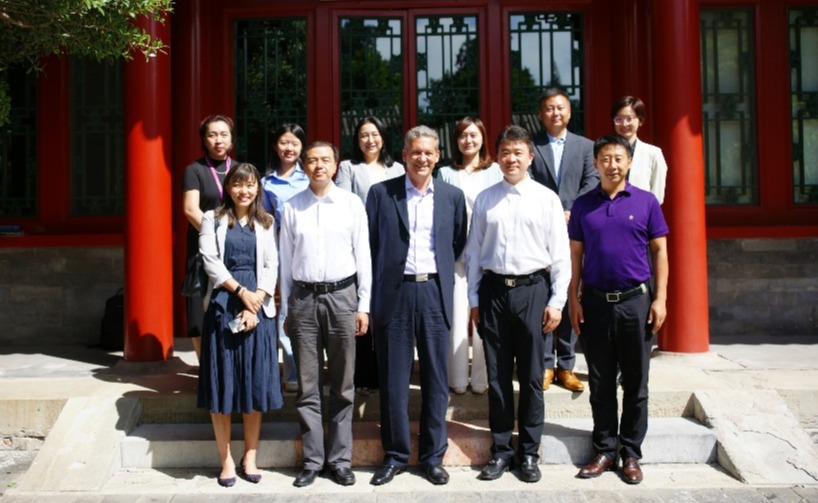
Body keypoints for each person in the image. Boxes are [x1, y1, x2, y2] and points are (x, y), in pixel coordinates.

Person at [466, 125, 570, 483]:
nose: (511, 159)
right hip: (493, 292)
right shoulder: (485, 199)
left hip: (533, 290)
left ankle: (528, 452)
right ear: (497, 157)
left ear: (530, 157)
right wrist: (474, 300)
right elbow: (474, 253)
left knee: (531, 377)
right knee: (497, 377)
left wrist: (557, 301)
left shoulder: (546, 199)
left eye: (518, 153)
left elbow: (561, 255)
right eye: (505, 152)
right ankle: (500, 450)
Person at [366, 126, 468, 486]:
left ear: (437, 156)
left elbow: (457, 242)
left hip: (434, 292)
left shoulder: (453, 196)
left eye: (428, 152)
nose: (422, 158)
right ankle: (395, 455)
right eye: (415, 152)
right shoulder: (381, 194)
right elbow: (371, 243)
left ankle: (432, 456)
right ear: (405, 156)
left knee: (436, 379)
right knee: (393, 380)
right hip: (394, 293)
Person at [569, 135, 668, 485]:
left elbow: (660, 251)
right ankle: (605, 449)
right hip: (595, 303)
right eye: (605, 159)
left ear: (629, 162)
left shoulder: (646, 201)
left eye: (618, 158)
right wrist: (573, 298)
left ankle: (631, 453)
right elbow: (575, 255)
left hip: (635, 302)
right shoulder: (583, 205)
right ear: (596, 164)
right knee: (600, 382)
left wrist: (660, 299)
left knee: (636, 383)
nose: (612, 165)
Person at [279, 142, 372, 488]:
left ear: (335, 166)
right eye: (312, 160)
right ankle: (313, 460)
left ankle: (340, 460)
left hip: (342, 297)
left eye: (325, 160)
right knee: (308, 385)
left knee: (343, 384)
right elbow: (285, 262)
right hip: (303, 298)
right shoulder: (292, 207)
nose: (318, 166)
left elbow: (364, 256)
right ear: (304, 166)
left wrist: (363, 305)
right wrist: (286, 309)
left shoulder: (351, 204)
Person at [197, 162, 283, 487]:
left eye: (250, 185)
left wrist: (255, 300)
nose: (244, 191)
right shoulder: (212, 219)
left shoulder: (266, 221)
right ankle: (226, 460)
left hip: (257, 307)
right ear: (228, 188)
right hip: (224, 302)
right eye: (237, 184)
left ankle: (250, 455)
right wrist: (242, 293)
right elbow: (210, 261)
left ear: (257, 187)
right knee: (223, 382)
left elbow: (272, 264)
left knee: (253, 382)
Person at [529, 87, 598, 392]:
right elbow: (528, 180)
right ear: (540, 113)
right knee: (544, 292)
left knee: (570, 291)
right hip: (540, 230)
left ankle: (567, 365)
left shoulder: (586, 147)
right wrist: (553, 211)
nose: (555, 113)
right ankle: (545, 364)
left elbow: (592, 180)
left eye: (560, 108)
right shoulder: (531, 145)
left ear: (569, 112)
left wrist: (572, 210)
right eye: (549, 108)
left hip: (575, 229)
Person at [336, 116, 404, 396]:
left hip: (391, 246)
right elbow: (343, 205)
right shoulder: (348, 168)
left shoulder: (397, 168)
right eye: (364, 135)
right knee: (361, 307)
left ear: (384, 137)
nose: (370, 140)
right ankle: (364, 374)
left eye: (375, 134)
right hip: (359, 244)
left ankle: (388, 371)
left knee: (388, 309)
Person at [436, 117, 502, 396]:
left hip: (488, 253)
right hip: (456, 254)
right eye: (463, 135)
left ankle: (481, 380)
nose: (468, 140)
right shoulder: (445, 173)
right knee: (457, 317)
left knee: (485, 318)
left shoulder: (496, 171)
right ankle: (458, 379)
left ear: (483, 138)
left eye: (473, 135)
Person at [182, 115, 237, 359]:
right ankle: (204, 369)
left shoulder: (240, 169)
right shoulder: (195, 170)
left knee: (231, 306)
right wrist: (214, 238)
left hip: (235, 248)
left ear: (232, 139)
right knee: (199, 313)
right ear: (204, 139)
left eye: (224, 134)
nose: (218, 140)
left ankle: (228, 366)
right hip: (203, 248)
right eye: (212, 135)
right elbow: (190, 209)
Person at [261, 123, 309, 393]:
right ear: (275, 146)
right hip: (280, 251)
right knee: (284, 308)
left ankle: (311, 369)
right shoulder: (266, 183)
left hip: (311, 250)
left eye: (294, 143)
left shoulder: (310, 176)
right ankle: (291, 372)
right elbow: (265, 223)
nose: (289, 148)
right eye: (283, 143)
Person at [611, 95, 668, 204]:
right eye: (618, 119)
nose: (624, 124)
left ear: (640, 121)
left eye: (629, 119)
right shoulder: (605, 152)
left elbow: (657, 196)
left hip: (640, 212)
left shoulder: (653, 154)